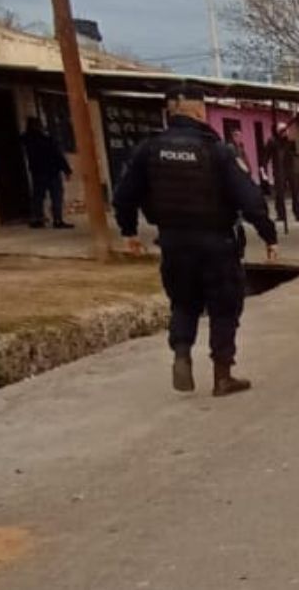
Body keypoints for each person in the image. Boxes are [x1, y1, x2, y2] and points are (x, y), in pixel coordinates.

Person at [113, 83, 278, 397]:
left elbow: (124, 196)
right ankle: (222, 375)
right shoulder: (216, 150)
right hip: (218, 243)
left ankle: (181, 352)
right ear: (200, 110)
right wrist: (268, 235)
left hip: (174, 242)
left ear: (170, 109)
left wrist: (129, 231)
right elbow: (250, 199)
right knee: (224, 307)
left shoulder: (149, 149)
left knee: (184, 302)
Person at [20, 117, 73, 229]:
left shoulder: (27, 139)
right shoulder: (47, 139)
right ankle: (57, 220)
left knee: (39, 196)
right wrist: (66, 170)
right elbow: (58, 155)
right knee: (56, 196)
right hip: (52, 171)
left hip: (38, 172)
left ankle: (38, 219)